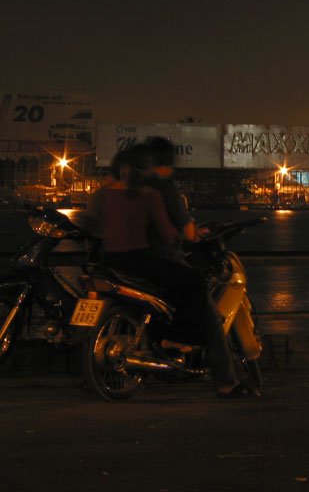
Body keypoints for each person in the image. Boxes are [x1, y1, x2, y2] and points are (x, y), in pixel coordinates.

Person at [85, 147, 255, 398]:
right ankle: (182, 344)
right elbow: (168, 233)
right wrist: (192, 236)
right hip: (140, 260)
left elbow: (93, 227)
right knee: (194, 282)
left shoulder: (104, 196)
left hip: (110, 261)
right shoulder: (149, 195)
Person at [142, 136, 201, 263]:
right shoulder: (165, 190)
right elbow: (187, 233)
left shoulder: (133, 185)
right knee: (198, 281)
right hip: (162, 258)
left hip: (133, 258)